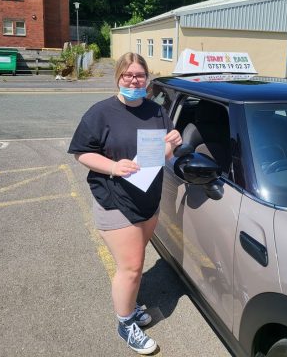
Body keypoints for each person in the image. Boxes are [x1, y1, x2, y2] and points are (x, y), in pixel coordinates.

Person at [68, 52, 182, 355]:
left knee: (134, 262)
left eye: (140, 76)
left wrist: (172, 143)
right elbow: (82, 153)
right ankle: (125, 323)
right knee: (131, 267)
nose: (134, 80)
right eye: (128, 75)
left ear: (147, 80)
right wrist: (114, 167)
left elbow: (164, 156)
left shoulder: (157, 112)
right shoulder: (101, 112)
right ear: (118, 76)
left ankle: (129, 308)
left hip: (148, 199)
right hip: (115, 200)